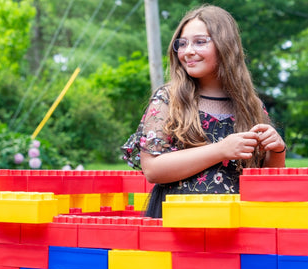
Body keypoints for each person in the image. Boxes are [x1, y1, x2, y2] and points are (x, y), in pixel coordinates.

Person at [122, 4, 286, 220]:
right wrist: (221, 150)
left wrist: (277, 151)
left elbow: (264, 179)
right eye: (182, 43)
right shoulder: (169, 100)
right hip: (178, 225)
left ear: (226, 46)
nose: (188, 51)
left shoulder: (250, 105)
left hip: (237, 226)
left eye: (200, 42)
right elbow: (153, 169)